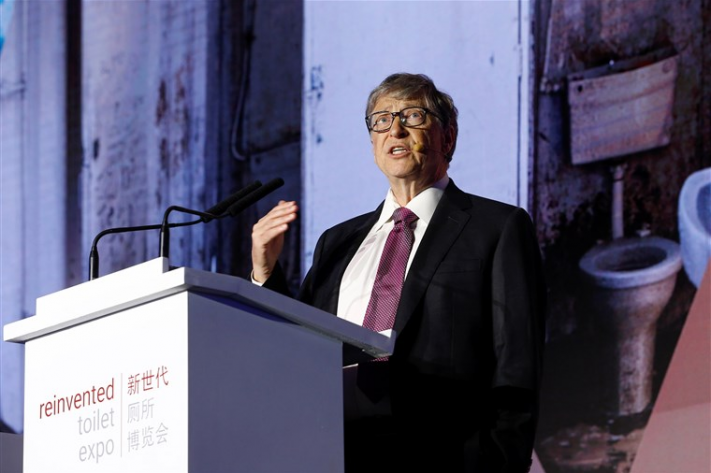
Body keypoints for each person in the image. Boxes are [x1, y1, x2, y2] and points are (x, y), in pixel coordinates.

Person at [251, 73, 546, 472]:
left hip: (446, 453)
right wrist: (265, 272)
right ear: (373, 143)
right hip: (338, 451)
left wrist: (499, 460)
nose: (396, 129)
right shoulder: (337, 242)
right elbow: (298, 346)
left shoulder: (496, 227)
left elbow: (517, 360)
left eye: (413, 116)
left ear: (448, 137)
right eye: (382, 120)